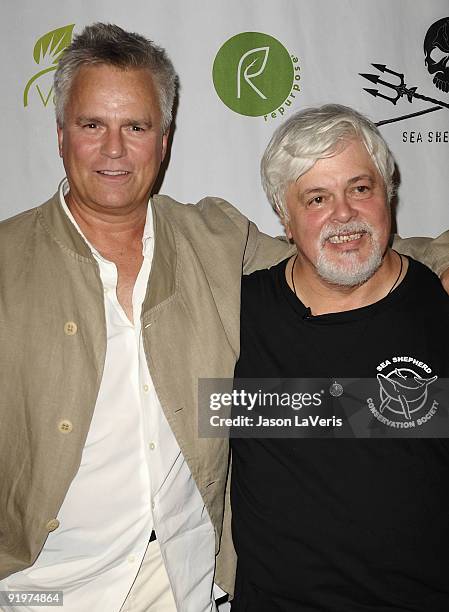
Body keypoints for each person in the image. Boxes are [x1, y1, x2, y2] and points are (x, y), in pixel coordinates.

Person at [0, 24, 446, 612]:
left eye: (135, 126)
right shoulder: (9, 263)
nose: (114, 149)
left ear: (164, 141)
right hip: (41, 591)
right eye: (92, 126)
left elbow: (340, 248)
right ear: (60, 137)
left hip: (185, 586)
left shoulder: (215, 239)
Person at [230, 104, 449, 611]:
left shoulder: (440, 304)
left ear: (387, 193)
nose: (344, 213)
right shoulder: (236, 314)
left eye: (360, 188)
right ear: (285, 219)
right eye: (317, 198)